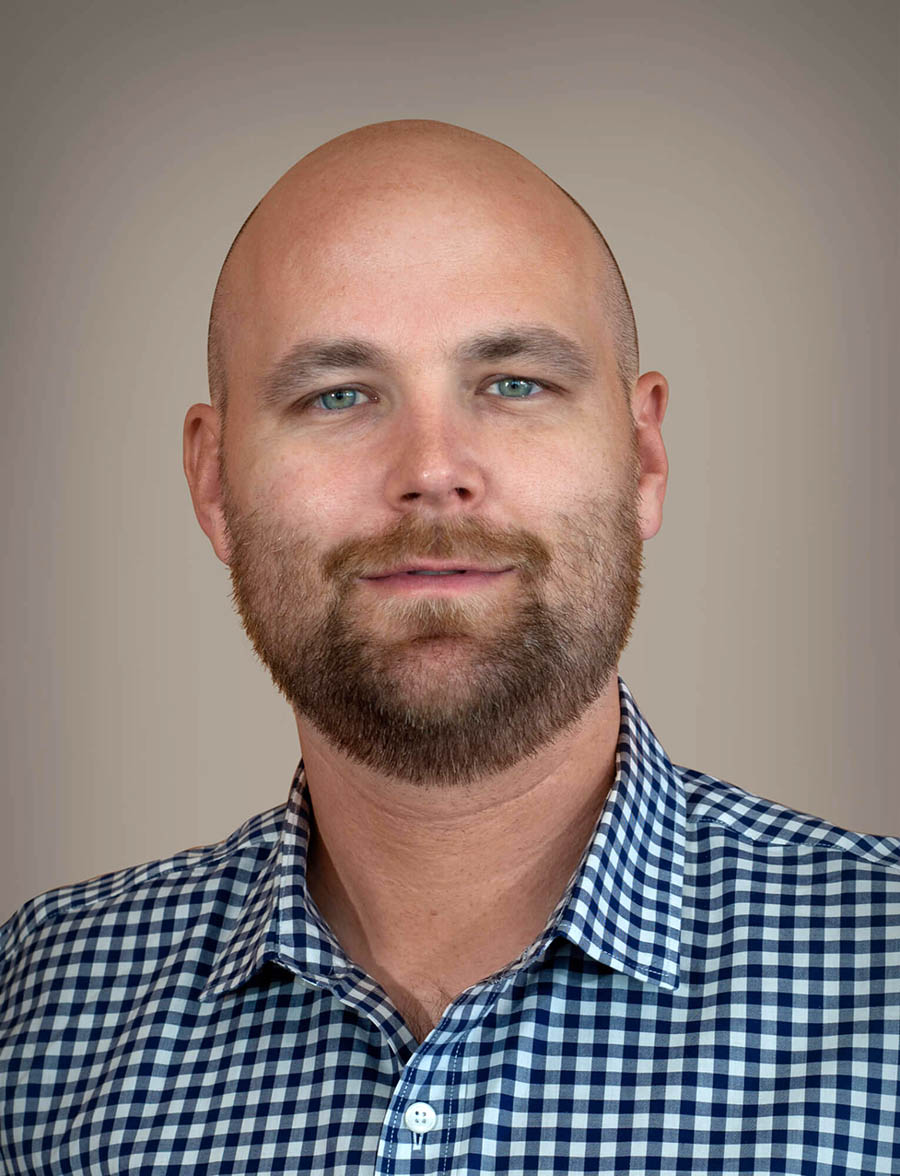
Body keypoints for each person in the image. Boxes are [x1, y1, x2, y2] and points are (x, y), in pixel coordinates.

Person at [1, 120, 897, 1175]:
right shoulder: (36, 1012)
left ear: (643, 456)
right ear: (213, 483)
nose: (432, 469)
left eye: (514, 382)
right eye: (337, 395)